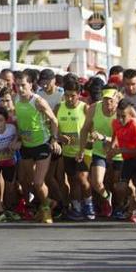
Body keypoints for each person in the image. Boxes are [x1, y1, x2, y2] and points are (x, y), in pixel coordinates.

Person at [14, 71, 61, 224]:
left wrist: (54, 140)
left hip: (42, 144)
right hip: (26, 146)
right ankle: (48, 203)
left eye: (23, 85)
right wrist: (17, 138)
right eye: (17, 85)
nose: (20, 89)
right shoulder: (16, 100)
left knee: (38, 182)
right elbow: (20, 122)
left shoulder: (38, 101)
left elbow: (54, 120)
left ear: (30, 85)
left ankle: (47, 209)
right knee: (27, 181)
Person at [80, 87, 121, 218]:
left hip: (118, 152)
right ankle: (107, 199)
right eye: (105, 101)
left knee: (118, 185)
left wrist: (104, 138)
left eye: (111, 101)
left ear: (117, 101)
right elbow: (84, 130)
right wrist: (81, 150)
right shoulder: (94, 108)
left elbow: (124, 136)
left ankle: (121, 207)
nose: (108, 105)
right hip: (99, 151)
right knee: (97, 182)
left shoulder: (123, 111)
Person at [108, 99, 136, 224]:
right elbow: (115, 135)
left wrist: (120, 150)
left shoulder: (135, 126)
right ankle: (132, 202)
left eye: (123, 116)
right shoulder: (115, 123)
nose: (120, 119)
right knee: (120, 187)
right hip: (127, 159)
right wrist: (112, 148)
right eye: (118, 116)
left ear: (130, 115)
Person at [56, 79, 93, 221]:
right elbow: (53, 127)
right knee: (72, 181)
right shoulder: (59, 107)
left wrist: (84, 146)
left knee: (83, 179)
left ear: (79, 94)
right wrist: (59, 136)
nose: (70, 99)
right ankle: (76, 208)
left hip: (83, 151)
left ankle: (89, 205)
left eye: (73, 95)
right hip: (67, 152)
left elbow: (92, 128)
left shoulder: (85, 108)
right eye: (67, 95)